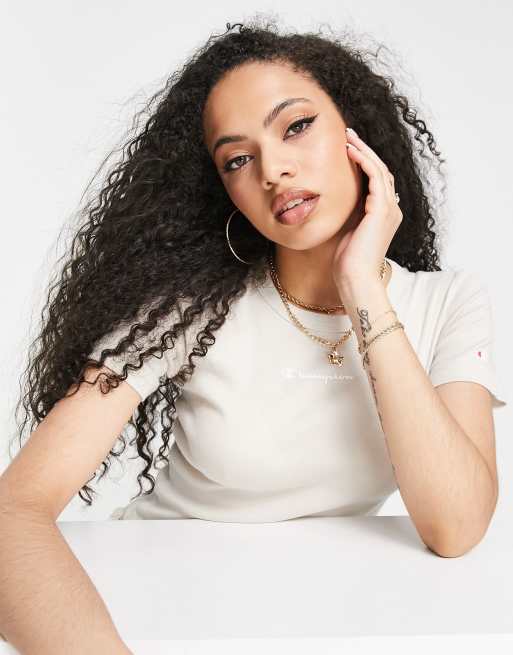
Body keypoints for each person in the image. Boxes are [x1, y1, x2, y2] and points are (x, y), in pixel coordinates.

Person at [0, 17, 507, 652]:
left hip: (319, 622)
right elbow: (12, 511)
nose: (273, 170)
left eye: (296, 126)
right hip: (147, 616)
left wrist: (361, 288)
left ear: (357, 134)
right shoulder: (187, 310)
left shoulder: (447, 303)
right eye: (238, 159)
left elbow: (456, 526)